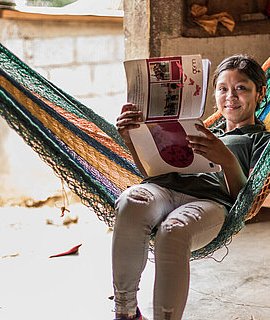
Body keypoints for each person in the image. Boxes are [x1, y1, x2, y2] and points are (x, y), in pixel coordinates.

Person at [112, 55, 269, 320]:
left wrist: (227, 160)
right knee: (131, 200)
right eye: (222, 89)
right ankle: (125, 312)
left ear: (260, 93)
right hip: (163, 189)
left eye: (241, 88)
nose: (230, 96)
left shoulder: (261, 141)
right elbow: (151, 172)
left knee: (173, 231)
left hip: (211, 202)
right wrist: (130, 139)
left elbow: (247, 201)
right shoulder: (199, 129)